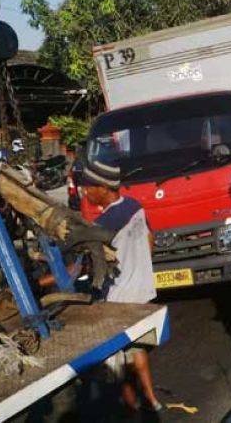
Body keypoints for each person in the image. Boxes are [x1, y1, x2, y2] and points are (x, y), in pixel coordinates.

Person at [79, 159, 163, 412]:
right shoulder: (134, 205)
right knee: (137, 349)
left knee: (119, 359)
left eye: (87, 186)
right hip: (141, 291)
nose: (84, 191)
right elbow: (151, 240)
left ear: (103, 187)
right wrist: (138, 267)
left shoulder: (105, 223)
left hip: (119, 299)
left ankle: (131, 408)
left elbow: (84, 265)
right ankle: (152, 400)